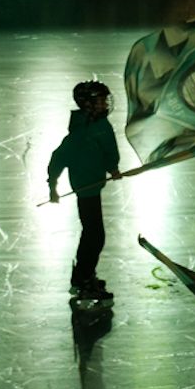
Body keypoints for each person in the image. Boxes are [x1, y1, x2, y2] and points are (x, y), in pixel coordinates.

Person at [48, 81, 122, 302]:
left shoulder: (99, 125)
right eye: (100, 101)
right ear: (88, 104)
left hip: (92, 186)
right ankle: (84, 279)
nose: (105, 104)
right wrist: (52, 185)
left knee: (92, 234)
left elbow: (108, 150)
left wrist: (112, 168)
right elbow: (59, 158)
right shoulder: (82, 133)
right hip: (86, 188)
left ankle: (83, 276)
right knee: (95, 236)